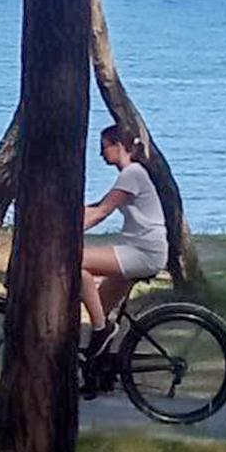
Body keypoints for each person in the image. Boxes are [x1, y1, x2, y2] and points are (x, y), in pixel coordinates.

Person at [80, 124, 168, 358]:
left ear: (119, 146)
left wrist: (67, 236)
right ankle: (98, 372)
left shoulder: (132, 174)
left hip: (144, 253)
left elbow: (101, 212)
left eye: (104, 148)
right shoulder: (131, 175)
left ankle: (101, 331)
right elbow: (97, 206)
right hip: (139, 249)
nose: (101, 154)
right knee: (100, 305)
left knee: (74, 263)